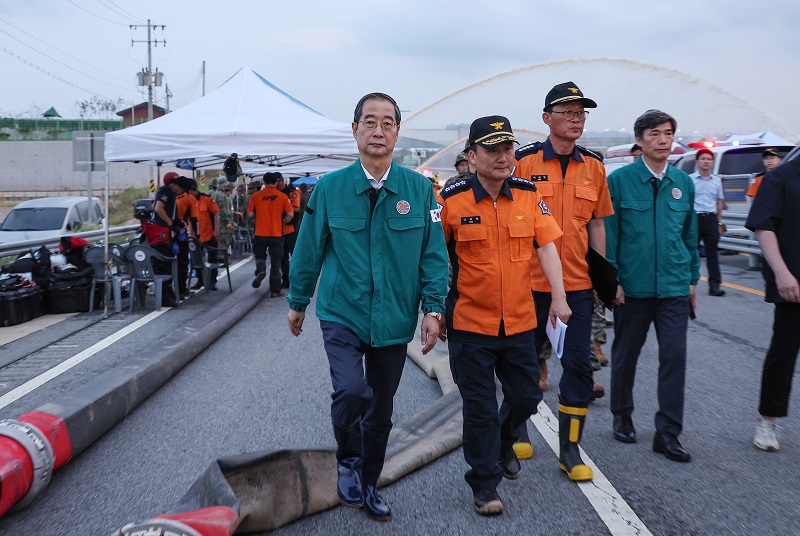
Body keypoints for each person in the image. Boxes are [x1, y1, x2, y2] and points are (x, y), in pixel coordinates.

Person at [287, 93, 447, 522]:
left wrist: (433, 309)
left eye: (388, 123)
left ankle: (370, 481)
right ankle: (347, 460)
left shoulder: (419, 189)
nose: (378, 130)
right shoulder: (330, 188)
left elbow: (434, 255)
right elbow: (308, 249)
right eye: (369, 122)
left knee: (380, 410)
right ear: (354, 129)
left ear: (397, 131)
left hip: (394, 318)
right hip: (342, 310)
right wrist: (298, 301)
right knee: (352, 391)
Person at [438, 115, 569, 515]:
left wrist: (561, 299)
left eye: (507, 148)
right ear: (472, 156)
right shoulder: (451, 199)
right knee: (478, 408)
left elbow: (547, 247)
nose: (502, 157)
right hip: (470, 324)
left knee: (527, 395)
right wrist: (432, 308)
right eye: (492, 149)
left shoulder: (529, 195)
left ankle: (503, 440)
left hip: (518, 321)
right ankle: (484, 485)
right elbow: (432, 257)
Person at [509, 82, 613, 478]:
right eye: (567, 112)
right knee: (521, 363)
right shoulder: (524, 163)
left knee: (579, 366)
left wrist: (602, 277)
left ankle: (570, 449)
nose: (575, 119)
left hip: (578, 286)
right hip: (528, 284)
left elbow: (598, 224)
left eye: (581, 113)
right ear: (546, 118)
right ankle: (517, 426)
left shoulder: (594, 167)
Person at [605, 109, 699, 463]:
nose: (663, 140)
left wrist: (692, 279)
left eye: (669, 133)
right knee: (626, 353)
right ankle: (622, 413)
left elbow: (690, 236)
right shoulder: (620, 181)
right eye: (655, 134)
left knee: (675, 356)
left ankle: (668, 432)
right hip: (632, 287)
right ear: (640, 140)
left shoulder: (683, 183)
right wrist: (611, 279)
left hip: (674, 287)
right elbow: (611, 235)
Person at [745, 155, 800, 451]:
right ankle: (768, 421)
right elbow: (764, 227)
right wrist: (781, 272)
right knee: (783, 353)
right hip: (795, 281)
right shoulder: (781, 178)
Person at [247, 172, 293, 296]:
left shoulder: (256, 196)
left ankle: (261, 270)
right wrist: (281, 222)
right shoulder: (283, 197)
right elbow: (290, 215)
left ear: (264, 181)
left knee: (260, 256)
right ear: (277, 182)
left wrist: (258, 220)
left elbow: (250, 214)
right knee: (275, 262)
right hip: (276, 233)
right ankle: (275, 291)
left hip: (260, 232)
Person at [148, 175, 191, 305]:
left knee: (167, 264)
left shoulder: (170, 194)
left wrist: (180, 225)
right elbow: (158, 208)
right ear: (177, 185)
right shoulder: (166, 190)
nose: (182, 194)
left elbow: (170, 214)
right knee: (163, 265)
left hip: (166, 232)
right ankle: (164, 297)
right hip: (161, 233)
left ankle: (169, 293)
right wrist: (170, 224)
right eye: (183, 191)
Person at [691, 148, 726, 296]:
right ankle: (688, 283)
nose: (706, 161)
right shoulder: (690, 179)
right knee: (691, 253)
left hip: (711, 219)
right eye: (703, 159)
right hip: (694, 219)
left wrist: (718, 222)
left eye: (709, 159)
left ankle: (714, 286)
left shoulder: (717, 181)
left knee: (713, 254)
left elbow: (719, 202)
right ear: (697, 161)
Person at [187, 179, 221, 291]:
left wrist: (216, 230)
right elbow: (189, 220)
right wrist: (190, 234)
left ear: (193, 189)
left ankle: (212, 281)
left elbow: (216, 215)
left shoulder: (207, 199)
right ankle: (200, 279)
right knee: (196, 259)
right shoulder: (189, 202)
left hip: (209, 234)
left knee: (212, 258)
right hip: (196, 236)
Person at [280, 177, 301, 289]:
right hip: (281, 230)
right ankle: (286, 280)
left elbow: (296, 209)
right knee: (283, 257)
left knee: (295, 256)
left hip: (292, 228)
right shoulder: (278, 193)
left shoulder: (293, 192)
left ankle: (298, 279)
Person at [212, 178, 235, 261]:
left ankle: (222, 256)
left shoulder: (216, 194)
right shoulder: (220, 195)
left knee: (223, 239)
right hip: (223, 221)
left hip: (220, 220)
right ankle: (221, 257)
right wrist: (228, 221)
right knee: (224, 239)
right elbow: (223, 210)